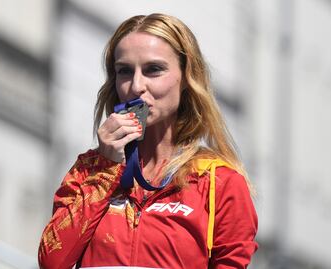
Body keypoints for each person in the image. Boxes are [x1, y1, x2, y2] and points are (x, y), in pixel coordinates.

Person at [38, 13, 258, 269]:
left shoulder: (219, 180)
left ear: (187, 78)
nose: (136, 86)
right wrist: (106, 169)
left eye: (154, 69)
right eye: (125, 71)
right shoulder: (89, 168)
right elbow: (53, 262)